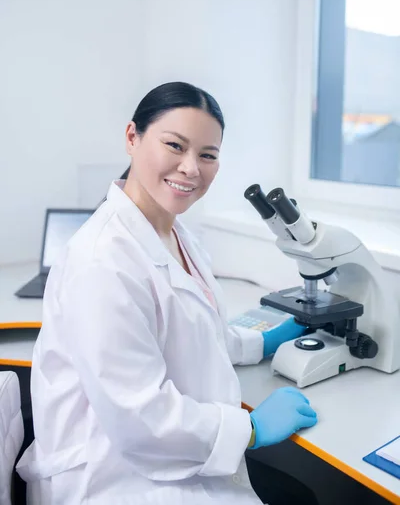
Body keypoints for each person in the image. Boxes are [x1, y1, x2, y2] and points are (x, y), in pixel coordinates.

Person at [17, 82, 318, 504]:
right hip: (114, 478)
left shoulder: (176, 236)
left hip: (166, 459)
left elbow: (190, 336)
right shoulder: (102, 260)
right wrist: (249, 430)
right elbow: (142, 419)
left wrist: (260, 343)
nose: (191, 168)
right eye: (175, 145)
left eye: (208, 155)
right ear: (132, 138)